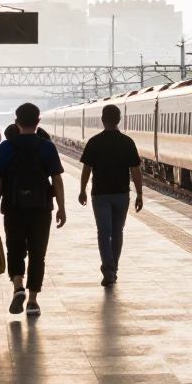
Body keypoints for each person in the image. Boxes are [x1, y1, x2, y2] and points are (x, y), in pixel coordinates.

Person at [0, 103, 66, 317]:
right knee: (37, 253)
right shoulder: (46, 147)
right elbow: (57, 179)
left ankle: (18, 287)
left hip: (13, 208)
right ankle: (32, 301)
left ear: (16, 122)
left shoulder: (6, 147)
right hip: (41, 208)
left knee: (14, 249)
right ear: (38, 122)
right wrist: (61, 208)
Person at [77, 104, 144, 286]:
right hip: (121, 194)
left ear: (102, 119)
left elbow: (87, 168)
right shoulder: (127, 142)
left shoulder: (94, 142)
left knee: (103, 232)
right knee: (117, 232)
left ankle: (108, 268)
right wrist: (139, 193)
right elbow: (135, 170)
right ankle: (113, 268)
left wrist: (82, 189)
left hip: (100, 194)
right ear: (119, 119)